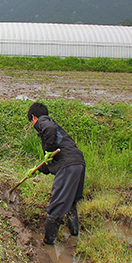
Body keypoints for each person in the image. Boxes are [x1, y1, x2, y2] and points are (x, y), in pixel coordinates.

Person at [27, 102, 86, 244]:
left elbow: (50, 130)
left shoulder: (44, 122)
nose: (33, 124)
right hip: (78, 163)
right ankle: (74, 234)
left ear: (34, 117)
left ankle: (47, 243)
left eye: (31, 121)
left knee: (57, 205)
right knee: (71, 201)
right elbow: (53, 164)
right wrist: (38, 169)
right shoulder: (55, 132)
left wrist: (48, 150)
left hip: (69, 164)